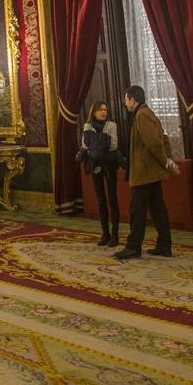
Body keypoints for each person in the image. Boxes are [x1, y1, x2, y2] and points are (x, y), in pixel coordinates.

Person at [115, 85, 178, 259]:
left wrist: (166, 161)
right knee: (158, 209)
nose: (124, 102)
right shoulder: (146, 113)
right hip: (150, 171)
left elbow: (155, 142)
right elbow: (162, 138)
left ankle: (134, 247)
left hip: (145, 172)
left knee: (137, 211)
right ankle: (164, 245)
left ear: (132, 99)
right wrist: (167, 161)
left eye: (126, 99)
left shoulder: (142, 115)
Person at [77, 100, 122, 246]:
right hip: (95, 166)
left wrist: (95, 146)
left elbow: (113, 145)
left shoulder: (111, 125)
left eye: (105, 110)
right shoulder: (87, 126)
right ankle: (105, 234)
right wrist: (100, 143)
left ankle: (115, 235)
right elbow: (85, 145)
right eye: (100, 110)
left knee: (113, 201)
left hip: (109, 165)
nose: (104, 112)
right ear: (94, 112)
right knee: (101, 201)